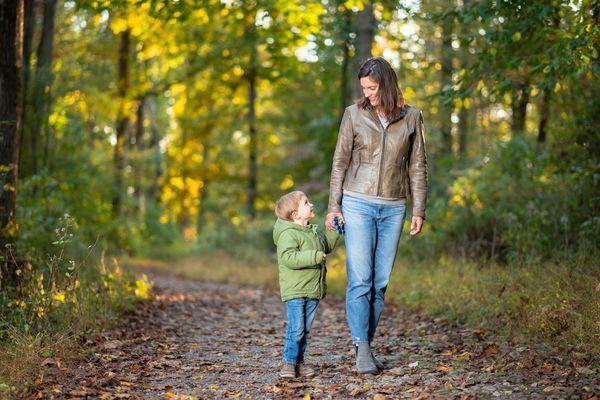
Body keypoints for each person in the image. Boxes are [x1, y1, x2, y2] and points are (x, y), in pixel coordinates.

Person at [325, 57, 428, 374]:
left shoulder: (411, 117)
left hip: (394, 207)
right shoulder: (353, 115)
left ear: (386, 84)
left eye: (372, 87)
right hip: (357, 202)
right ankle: (363, 348)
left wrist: (419, 208)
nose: (367, 93)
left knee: (380, 283)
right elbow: (340, 161)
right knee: (361, 279)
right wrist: (334, 205)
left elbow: (418, 166)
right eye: (364, 88)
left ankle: (362, 343)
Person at [273, 190, 341, 378]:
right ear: (295, 215)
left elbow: (326, 246)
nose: (311, 205)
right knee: (297, 328)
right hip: (295, 290)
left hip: (312, 289)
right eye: (306, 203)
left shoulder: (314, 231)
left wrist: (334, 231)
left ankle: (299, 362)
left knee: (305, 329)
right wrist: (315, 256)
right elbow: (288, 258)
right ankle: (288, 362)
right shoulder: (288, 234)